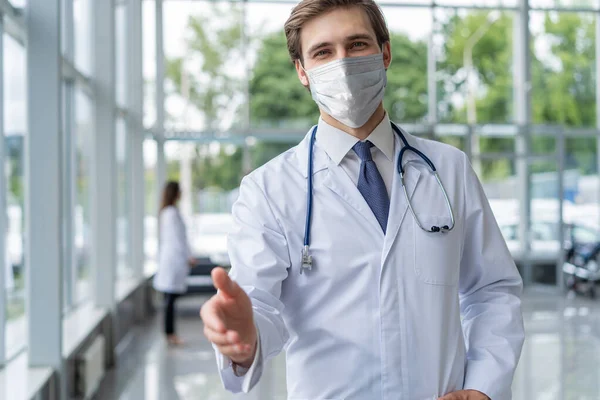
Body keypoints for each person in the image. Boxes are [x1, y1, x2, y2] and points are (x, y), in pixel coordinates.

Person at [200, 0, 525, 398]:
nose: (343, 64)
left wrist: (483, 387)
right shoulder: (268, 190)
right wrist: (243, 334)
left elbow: (491, 290)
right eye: (323, 52)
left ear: (384, 53)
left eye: (357, 45)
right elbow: (259, 309)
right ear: (302, 71)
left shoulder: (448, 170)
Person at [154, 181, 195, 345]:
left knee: (169, 299)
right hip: (173, 260)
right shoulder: (171, 213)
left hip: (171, 259)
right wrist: (188, 257)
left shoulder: (167, 212)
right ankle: (170, 334)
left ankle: (170, 333)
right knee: (170, 300)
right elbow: (178, 240)